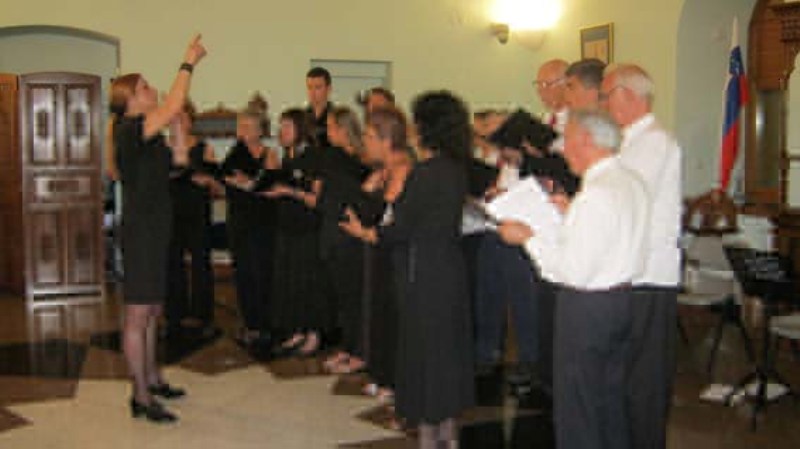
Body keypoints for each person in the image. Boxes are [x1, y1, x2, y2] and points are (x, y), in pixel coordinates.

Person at [498, 109, 649, 449]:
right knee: (610, 403)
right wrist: (570, 214)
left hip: (586, 308)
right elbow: (610, 238)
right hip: (623, 301)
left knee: (578, 407)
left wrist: (526, 238)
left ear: (586, 141)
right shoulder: (631, 182)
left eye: (567, 141)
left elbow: (570, 269)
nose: (562, 151)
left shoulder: (595, 194)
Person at [341, 91, 475, 449]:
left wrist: (366, 233)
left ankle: (430, 432)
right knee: (446, 349)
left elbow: (401, 228)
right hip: (449, 267)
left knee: (424, 351)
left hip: (422, 271)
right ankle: (449, 430)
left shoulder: (425, 174)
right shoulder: (455, 169)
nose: (413, 130)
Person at [110, 34, 206, 423]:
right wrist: (188, 62)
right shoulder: (129, 129)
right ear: (131, 99)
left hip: (155, 229)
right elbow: (171, 103)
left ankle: (153, 379)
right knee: (138, 315)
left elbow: (179, 163)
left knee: (152, 310)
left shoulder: (149, 137)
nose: (151, 90)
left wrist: (179, 126)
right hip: (140, 232)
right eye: (144, 87)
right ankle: (140, 396)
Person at [602, 64, 682, 449]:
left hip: (649, 275)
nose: (603, 104)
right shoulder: (630, 142)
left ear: (629, 96)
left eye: (606, 96)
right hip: (630, 274)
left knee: (645, 382)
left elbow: (624, 200)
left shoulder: (654, 142)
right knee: (626, 377)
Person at [357, 106, 414, 405]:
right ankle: (380, 373)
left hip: (398, 254)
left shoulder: (405, 169)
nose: (364, 142)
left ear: (387, 139)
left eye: (369, 136)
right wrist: (368, 190)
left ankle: (395, 378)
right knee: (377, 311)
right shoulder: (382, 171)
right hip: (378, 249)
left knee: (395, 315)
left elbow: (397, 219)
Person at [264, 109, 328, 357]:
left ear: (300, 129)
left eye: (287, 127)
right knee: (289, 282)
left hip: (307, 231)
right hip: (287, 228)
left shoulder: (314, 157)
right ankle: (297, 330)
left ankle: (313, 334)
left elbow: (315, 199)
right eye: (280, 127)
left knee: (308, 283)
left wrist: (289, 192)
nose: (281, 132)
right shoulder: (287, 157)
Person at [315, 106, 371, 374]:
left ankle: (360, 352)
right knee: (343, 300)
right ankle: (349, 348)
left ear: (343, 130)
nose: (327, 133)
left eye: (330, 127)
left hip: (351, 236)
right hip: (334, 233)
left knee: (354, 299)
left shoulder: (354, 160)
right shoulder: (337, 160)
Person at [220, 109, 280, 348]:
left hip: (264, 224)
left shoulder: (270, 154)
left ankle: (266, 325)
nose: (242, 131)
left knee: (263, 273)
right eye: (240, 126)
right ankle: (251, 324)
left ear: (259, 130)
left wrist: (249, 184)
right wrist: (251, 185)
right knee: (243, 274)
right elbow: (226, 182)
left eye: (247, 126)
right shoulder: (235, 154)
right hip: (240, 223)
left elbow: (272, 188)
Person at [165, 101, 220, 338]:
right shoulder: (163, 148)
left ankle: (202, 315)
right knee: (172, 263)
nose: (178, 122)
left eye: (183, 117)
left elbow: (218, 186)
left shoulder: (204, 148)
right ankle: (174, 315)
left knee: (201, 264)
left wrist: (207, 181)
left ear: (190, 121)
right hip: (171, 212)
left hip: (197, 212)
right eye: (174, 118)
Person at [535, 59, 569, 151]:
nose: (540, 91)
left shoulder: (579, 122)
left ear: (566, 84)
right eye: (538, 84)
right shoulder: (543, 119)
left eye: (546, 84)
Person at [306, 66, 334, 148]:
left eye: (317, 87)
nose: (312, 92)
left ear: (328, 89)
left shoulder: (336, 117)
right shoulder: (302, 117)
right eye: (309, 87)